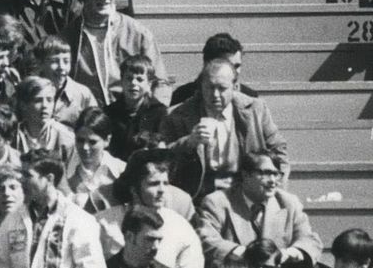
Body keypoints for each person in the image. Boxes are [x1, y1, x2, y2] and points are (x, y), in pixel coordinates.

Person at [159, 58, 287, 199]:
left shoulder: (256, 110)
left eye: (222, 88)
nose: (215, 95)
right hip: (198, 198)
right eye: (210, 87)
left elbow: (279, 152)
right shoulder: (177, 115)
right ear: (201, 86)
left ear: (235, 86)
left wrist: (275, 192)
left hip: (246, 196)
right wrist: (189, 142)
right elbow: (161, 159)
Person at [64, 0, 169, 106]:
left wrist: (155, 117)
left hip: (130, 118)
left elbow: (160, 82)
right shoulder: (68, 37)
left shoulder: (138, 33)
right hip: (89, 119)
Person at [194, 152, 322, 268]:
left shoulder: (288, 202)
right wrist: (243, 254)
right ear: (245, 175)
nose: (273, 181)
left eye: (276, 174)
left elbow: (309, 239)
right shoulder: (217, 202)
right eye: (265, 173)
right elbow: (206, 239)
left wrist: (290, 253)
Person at [0, 150, 105, 268]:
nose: (21, 181)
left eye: (28, 175)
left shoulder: (79, 219)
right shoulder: (13, 219)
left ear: (49, 179)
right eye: (22, 174)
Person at [94, 149, 200, 268]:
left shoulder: (180, 226)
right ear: (133, 188)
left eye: (165, 183)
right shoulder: (102, 223)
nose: (162, 190)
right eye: (153, 184)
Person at [104, 56, 168, 162]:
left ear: (149, 83)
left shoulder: (159, 113)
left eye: (139, 79)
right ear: (122, 81)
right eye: (129, 78)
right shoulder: (109, 113)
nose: (133, 83)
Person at [169, 34, 259, 107]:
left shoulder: (251, 99)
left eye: (237, 66)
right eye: (228, 66)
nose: (236, 72)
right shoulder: (182, 96)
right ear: (207, 65)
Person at [63, 108, 125, 214]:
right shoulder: (65, 173)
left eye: (92, 142)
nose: (85, 147)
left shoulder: (121, 171)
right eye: (80, 140)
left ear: (107, 141)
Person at [34, 35, 99, 127]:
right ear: (40, 63)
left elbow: (96, 129)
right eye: (54, 61)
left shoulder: (83, 95)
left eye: (66, 61)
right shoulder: (28, 91)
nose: (61, 67)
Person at [13, 76, 77, 167]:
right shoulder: (13, 136)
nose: (45, 106)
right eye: (38, 100)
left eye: (49, 100)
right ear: (23, 105)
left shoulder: (66, 137)